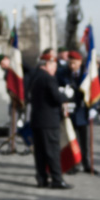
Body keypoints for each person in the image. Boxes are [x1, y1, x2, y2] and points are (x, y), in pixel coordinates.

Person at [30, 51, 72, 189]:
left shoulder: (35, 76)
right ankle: (57, 180)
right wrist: (65, 95)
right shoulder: (48, 78)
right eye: (54, 65)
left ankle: (41, 179)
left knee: (40, 153)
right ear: (47, 64)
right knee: (52, 151)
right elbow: (57, 97)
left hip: (37, 120)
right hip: (49, 121)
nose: (55, 69)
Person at [59, 50, 97, 174]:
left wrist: (94, 107)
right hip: (70, 111)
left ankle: (87, 165)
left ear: (80, 62)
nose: (71, 65)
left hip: (83, 111)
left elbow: (95, 90)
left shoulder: (87, 73)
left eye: (74, 63)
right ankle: (74, 164)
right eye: (69, 63)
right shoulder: (63, 73)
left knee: (85, 141)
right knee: (72, 139)